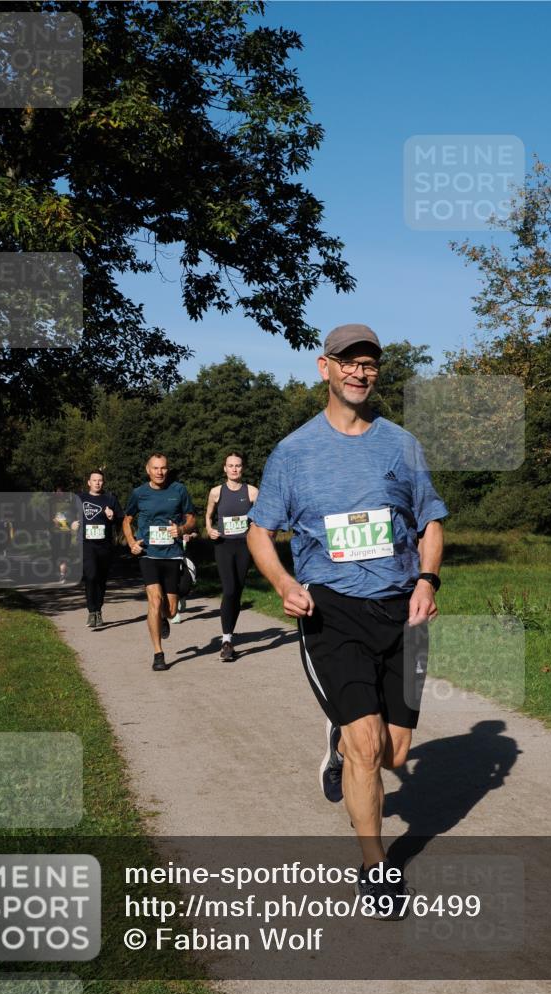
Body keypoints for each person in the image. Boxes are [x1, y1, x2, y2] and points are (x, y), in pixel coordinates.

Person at [247, 323, 447, 919]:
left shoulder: (401, 445)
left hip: (401, 609)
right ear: (325, 368)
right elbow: (260, 532)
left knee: (395, 754)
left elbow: (431, 522)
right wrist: (285, 584)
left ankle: (338, 741)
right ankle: (375, 866)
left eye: (370, 364)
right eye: (349, 362)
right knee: (367, 744)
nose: (361, 372)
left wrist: (427, 581)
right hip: (331, 610)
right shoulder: (294, 452)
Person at [123, 453, 196, 671]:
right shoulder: (139, 493)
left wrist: (181, 529)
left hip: (172, 554)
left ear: (167, 469)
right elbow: (127, 520)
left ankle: (164, 617)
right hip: (149, 554)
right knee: (154, 600)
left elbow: (191, 518)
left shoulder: (179, 490)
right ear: (148, 470)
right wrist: (131, 542)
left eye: (163, 468)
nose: (160, 472)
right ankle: (158, 653)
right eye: (155, 468)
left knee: (171, 610)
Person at [205, 452, 259, 661]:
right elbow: (208, 515)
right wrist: (209, 530)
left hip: (245, 546)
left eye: (238, 465)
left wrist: (255, 528)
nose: (234, 469)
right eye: (230, 465)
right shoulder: (216, 492)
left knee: (237, 591)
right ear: (225, 469)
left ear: (242, 468)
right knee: (229, 589)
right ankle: (226, 640)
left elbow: (260, 516)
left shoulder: (252, 492)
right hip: (224, 545)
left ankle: (229, 635)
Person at [70, 469, 123, 628]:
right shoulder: (80, 498)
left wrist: (112, 516)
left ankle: (98, 610)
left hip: (104, 545)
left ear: (103, 482)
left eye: (100, 480)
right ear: (89, 482)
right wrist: (72, 525)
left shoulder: (110, 498)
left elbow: (121, 519)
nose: (97, 483)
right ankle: (91, 611)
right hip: (86, 544)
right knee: (91, 576)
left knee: (101, 578)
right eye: (94, 480)